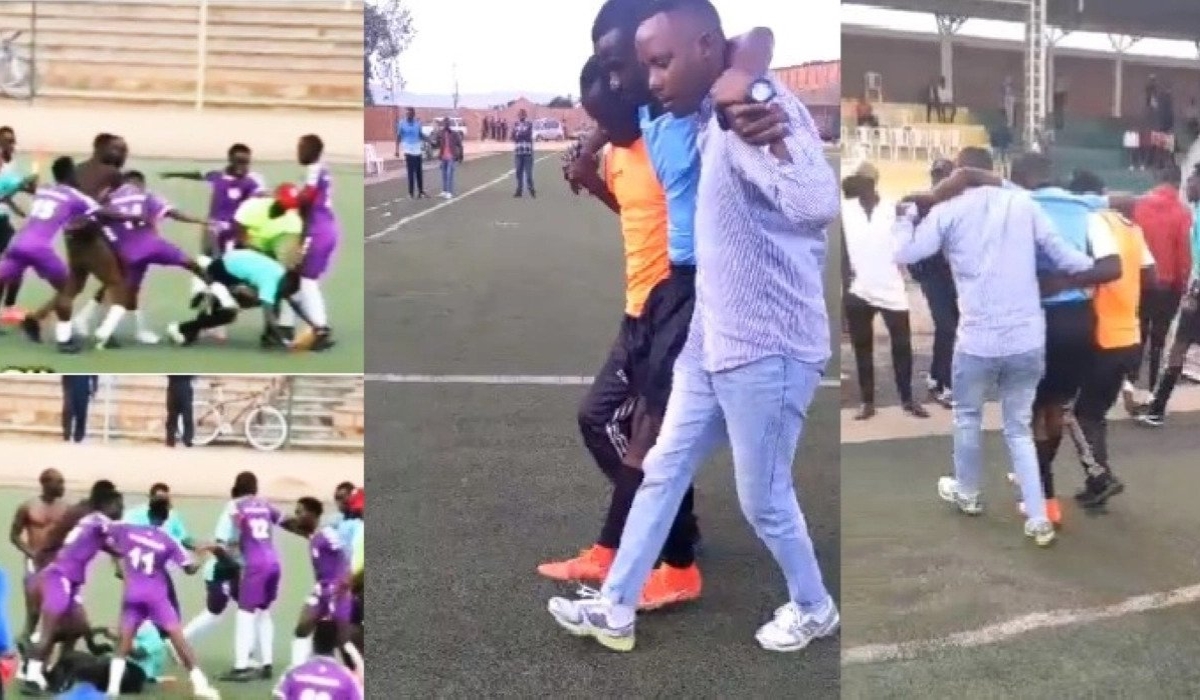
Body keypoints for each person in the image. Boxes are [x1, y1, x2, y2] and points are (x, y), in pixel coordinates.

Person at [549, 0, 838, 653]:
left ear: (707, 48)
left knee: (764, 500)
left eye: (662, 63)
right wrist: (743, 70)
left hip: (769, 344)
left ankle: (814, 607)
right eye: (646, 65)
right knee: (663, 467)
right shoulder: (705, 113)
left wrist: (756, 99)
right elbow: (751, 39)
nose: (651, 80)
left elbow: (816, 201)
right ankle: (616, 607)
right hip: (713, 333)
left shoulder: (748, 110)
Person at [539, 56, 701, 610]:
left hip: (674, 312)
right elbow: (633, 213)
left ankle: (661, 553)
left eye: (608, 119)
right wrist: (590, 173)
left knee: (640, 435)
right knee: (608, 423)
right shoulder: (617, 153)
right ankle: (656, 533)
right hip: (636, 311)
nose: (602, 128)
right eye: (596, 120)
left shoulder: (669, 145)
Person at [894, 148, 1098, 547]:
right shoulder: (1023, 203)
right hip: (1026, 337)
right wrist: (1094, 268)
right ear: (994, 171)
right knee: (1018, 428)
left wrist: (905, 217)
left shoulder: (948, 212)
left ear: (959, 173)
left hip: (978, 340)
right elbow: (1068, 258)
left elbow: (905, 254)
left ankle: (968, 492)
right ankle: (1037, 518)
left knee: (967, 417)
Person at [1062, 170, 1153, 506]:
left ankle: (1100, 476)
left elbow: (1103, 270)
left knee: (1079, 412)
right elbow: (1151, 276)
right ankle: (1098, 478)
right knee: (1094, 411)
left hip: (1101, 335)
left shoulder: (1092, 221)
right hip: (1129, 334)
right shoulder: (1131, 227)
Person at [72, 171, 211, 345]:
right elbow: (173, 213)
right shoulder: (146, 195)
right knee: (191, 265)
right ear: (141, 183)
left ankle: (96, 324)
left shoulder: (109, 198)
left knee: (121, 289)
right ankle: (216, 289)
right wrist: (202, 221)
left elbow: (92, 220)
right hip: (152, 245)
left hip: (124, 252)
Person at [841, 161, 928, 420]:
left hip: (891, 288)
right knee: (862, 347)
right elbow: (843, 253)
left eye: (862, 181)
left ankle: (907, 399)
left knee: (902, 346)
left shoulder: (892, 209)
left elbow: (908, 238)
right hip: (859, 289)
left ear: (872, 183)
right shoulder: (846, 210)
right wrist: (846, 291)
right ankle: (867, 402)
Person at [104, 515, 219, 699]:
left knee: (124, 641)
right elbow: (189, 568)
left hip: (132, 592)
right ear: (165, 519)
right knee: (178, 639)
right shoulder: (167, 540)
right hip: (155, 595)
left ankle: (113, 688)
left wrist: (118, 564)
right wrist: (202, 555)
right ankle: (200, 685)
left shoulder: (128, 530)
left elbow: (106, 537)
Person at [22, 487, 123, 694]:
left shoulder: (92, 523)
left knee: (78, 626)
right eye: (118, 505)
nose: (121, 510)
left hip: (69, 581)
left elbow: (114, 547)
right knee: (49, 630)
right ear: (106, 505)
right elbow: (121, 536)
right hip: (59, 578)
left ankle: (50, 667)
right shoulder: (99, 521)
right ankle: (31, 675)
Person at [1130, 163, 1192, 390]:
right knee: (1159, 338)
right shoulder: (1182, 212)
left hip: (1139, 281)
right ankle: (1152, 385)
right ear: (1178, 183)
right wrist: (1183, 285)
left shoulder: (1138, 206)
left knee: (1137, 334)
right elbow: (1184, 254)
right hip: (1167, 286)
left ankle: (1129, 383)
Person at [220, 481, 284, 682]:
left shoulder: (234, 505)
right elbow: (284, 520)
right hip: (274, 562)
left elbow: (236, 529)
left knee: (244, 614)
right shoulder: (264, 504)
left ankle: (241, 667)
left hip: (255, 564)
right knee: (264, 612)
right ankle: (267, 663)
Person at [907, 159, 959, 407]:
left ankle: (936, 377)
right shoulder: (922, 204)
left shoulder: (959, 204)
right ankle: (946, 384)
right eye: (937, 175)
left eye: (945, 175)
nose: (940, 180)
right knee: (948, 326)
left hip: (955, 275)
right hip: (933, 276)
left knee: (950, 327)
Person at [286, 497, 359, 669]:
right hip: (321, 590)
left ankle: (357, 676)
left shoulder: (327, 534)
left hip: (338, 590)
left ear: (312, 514)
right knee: (302, 628)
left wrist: (345, 581)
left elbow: (345, 554)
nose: (297, 516)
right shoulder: (313, 535)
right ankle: (297, 670)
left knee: (342, 641)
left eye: (300, 512)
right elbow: (291, 525)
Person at [9, 468, 66, 643]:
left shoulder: (66, 508)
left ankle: (46, 650)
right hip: (34, 562)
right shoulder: (28, 507)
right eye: (59, 482)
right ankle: (24, 645)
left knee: (58, 610)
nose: (63, 486)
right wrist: (31, 553)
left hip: (57, 562)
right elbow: (14, 535)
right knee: (33, 611)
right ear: (46, 483)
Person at [294, 134, 339, 350]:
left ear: (312, 151)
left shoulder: (314, 169)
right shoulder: (323, 170)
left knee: (306, 281)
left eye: (301, 148)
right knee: (302, 278)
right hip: (327, 229)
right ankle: (312, 326)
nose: (298, 152)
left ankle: (320, 329)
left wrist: (286, 200)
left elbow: (306, 198)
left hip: (317, 232)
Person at [273, 620, 362, 700]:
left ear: (313, 642)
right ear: (336, 646)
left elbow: (279, 696)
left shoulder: (293, 672)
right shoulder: (347, 678)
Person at [396, 107, 427, 199]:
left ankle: (421, 192)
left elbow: (420, 134)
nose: (408, 115)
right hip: (408, 150)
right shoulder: (402, 123)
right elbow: (398, 136)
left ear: (413, 114)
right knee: (410, 172)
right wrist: (397, 150)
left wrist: (428, 139)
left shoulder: (417, 123)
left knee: (419, 172)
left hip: (417, 150)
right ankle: (411, 193)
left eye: (410, 113)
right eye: (407, 113)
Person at [430, 119, 463, 199]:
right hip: (443, 157)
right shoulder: (441, 133)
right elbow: (437, 144)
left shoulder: (454, 134)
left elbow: (459, 145)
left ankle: (449, 192)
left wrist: (461, 156)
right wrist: (432, 142)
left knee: (449, 174)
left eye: (447, 123)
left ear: (449, 124)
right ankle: (444, 191)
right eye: (445, 123)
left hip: (451, 157)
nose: (446, 125)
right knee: (444, 175)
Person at [60, 375, 96, 443]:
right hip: (69, 384)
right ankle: (67, 433)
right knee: (68, 409)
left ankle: (79, 435)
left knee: (81, 410)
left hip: (83, 385)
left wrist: (94, 387)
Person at [165, 375, 196, 448]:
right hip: (175, 386)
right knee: (172, 416)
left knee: (186, 416)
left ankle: (187, 439)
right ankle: (171, 439)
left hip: (182, 386)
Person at [511, 109, 536, 198]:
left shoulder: (529, 124)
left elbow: (527, 135)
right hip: (518, 152)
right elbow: (513, 137)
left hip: (527, 152)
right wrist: (519, 135)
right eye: (520, 115)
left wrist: (518, 134)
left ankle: (531, 189)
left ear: (525, 116)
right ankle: (519, 190)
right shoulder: (515, 124)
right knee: (518, 172)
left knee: (528, 173)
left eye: (523, 115)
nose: (521, 116)